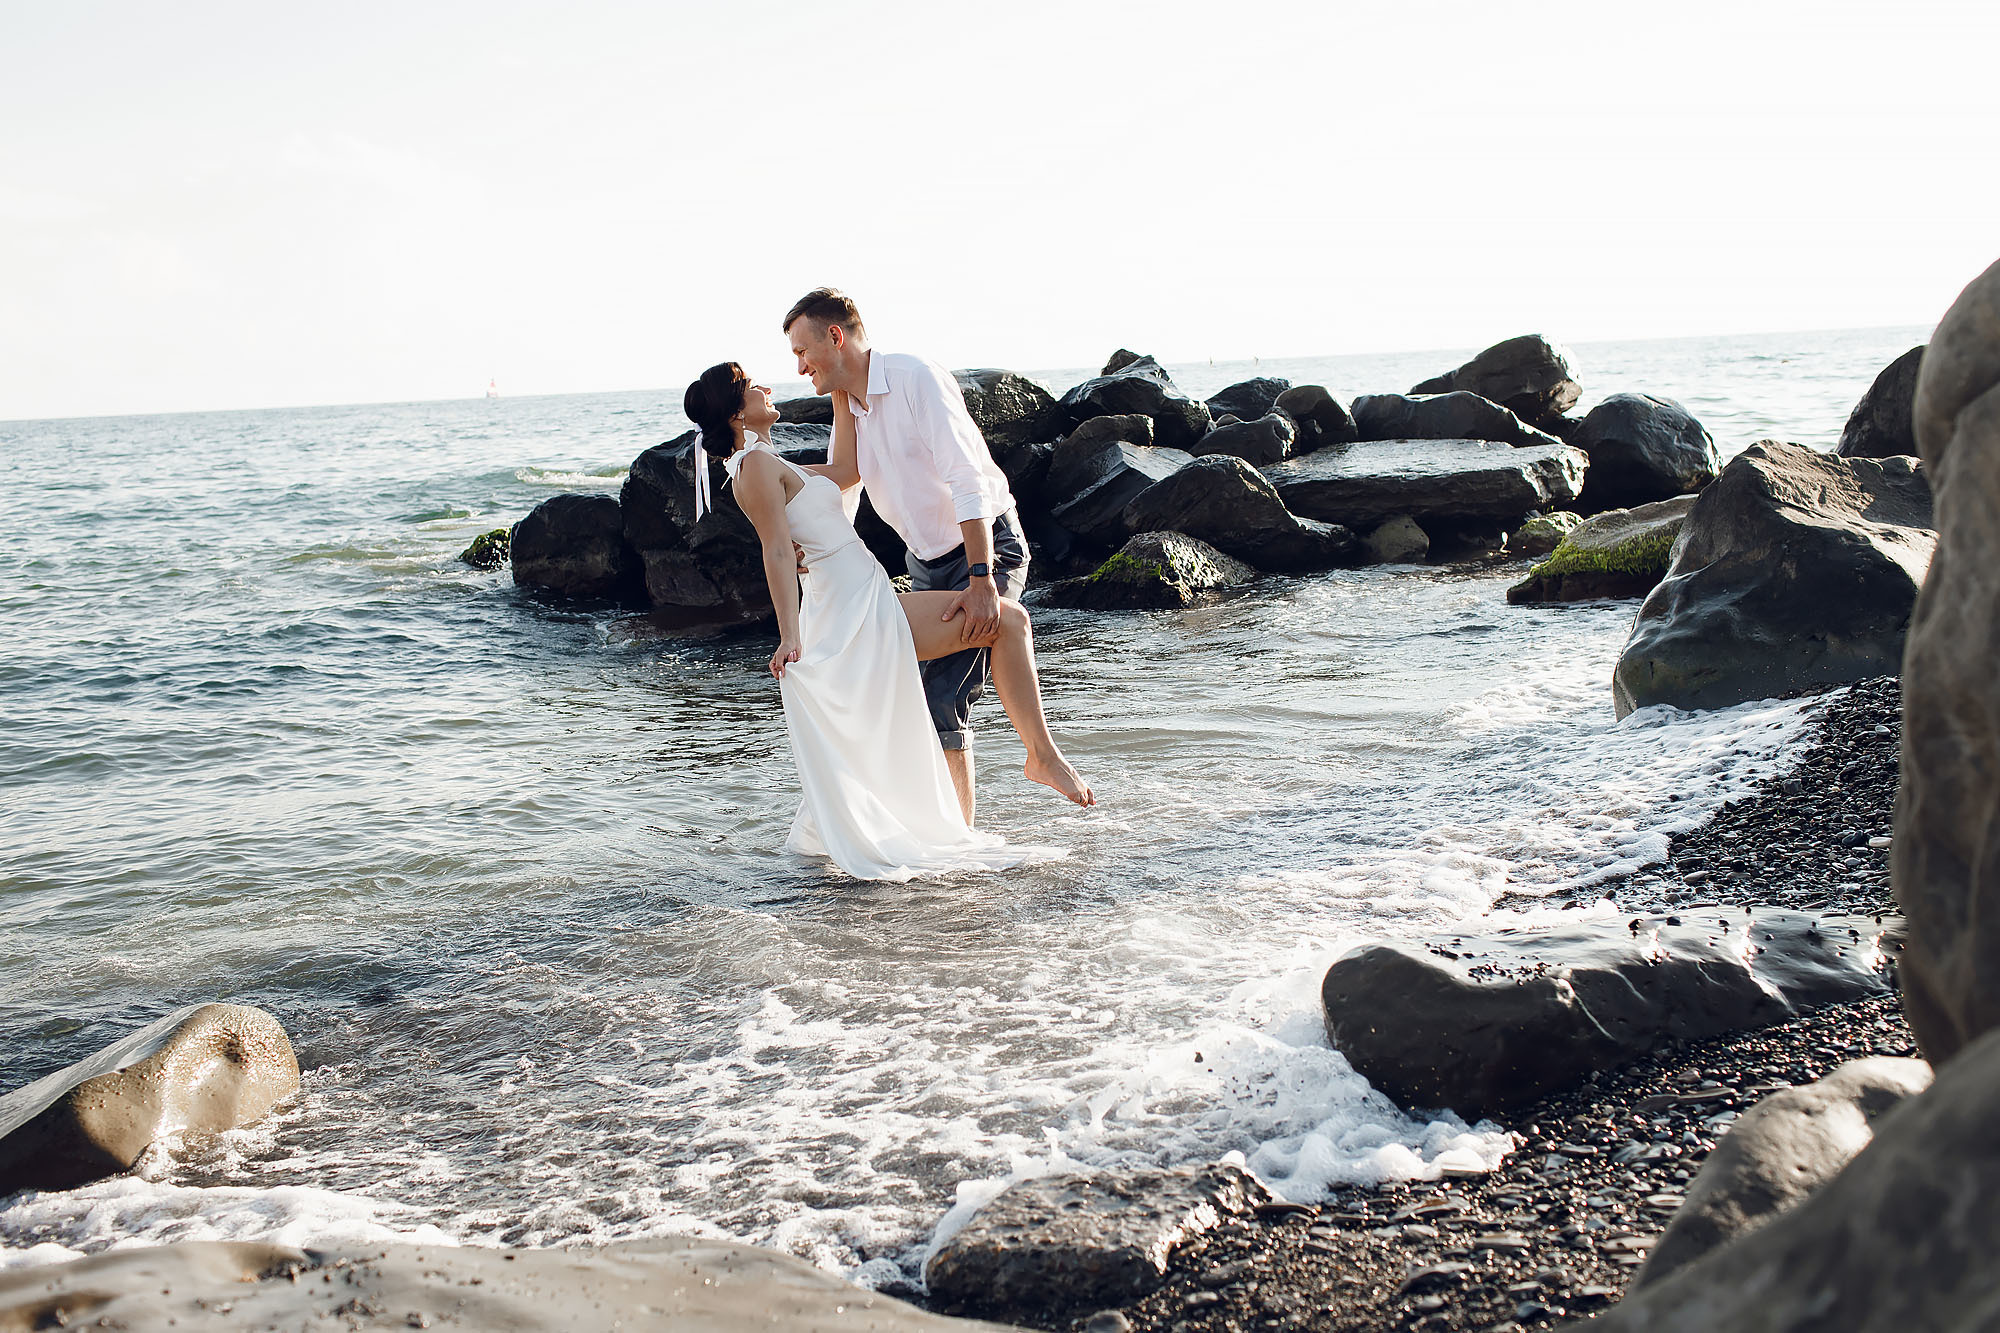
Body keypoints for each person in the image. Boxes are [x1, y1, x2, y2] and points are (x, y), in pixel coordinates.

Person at [680, 362, 1082, 881]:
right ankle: (1041, 757)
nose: (766, 386)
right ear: (737, 412)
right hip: (851, 612)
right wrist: (789, 634)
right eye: (752, 385)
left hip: (865, 598)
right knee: (1008, 623)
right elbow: (777, 553)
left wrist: (843, 389)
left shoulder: (768, 461)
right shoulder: (753, 468)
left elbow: (847, 468)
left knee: (1005, 627)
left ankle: (1031, 762)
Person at [783, 287, 1092, 823]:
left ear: (836, 336)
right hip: (923, 563)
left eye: (802, 350)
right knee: (926, 698)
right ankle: (959, 828)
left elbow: (966, 477)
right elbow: (846, 478)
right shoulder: (848, 403)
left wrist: (981, 577)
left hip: (985, 544)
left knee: (944, 695)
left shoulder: (913, 378)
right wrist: (788, 504)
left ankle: (1019, 779)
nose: (800, 365)